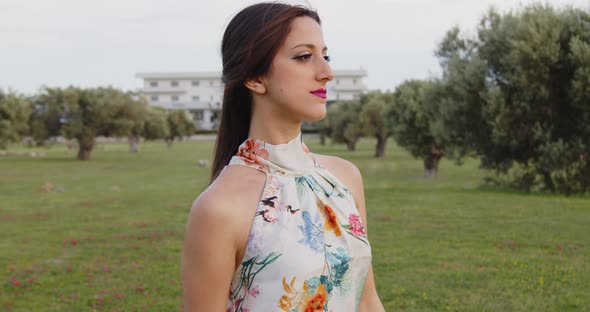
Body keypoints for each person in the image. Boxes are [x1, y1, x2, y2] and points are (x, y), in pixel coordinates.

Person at [182, 2, 385, 311]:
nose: (327, 72)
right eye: (304, 57)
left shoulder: (343, 179)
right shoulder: (219, 208)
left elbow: (368, 301)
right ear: (254, 78)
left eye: (325, 55)